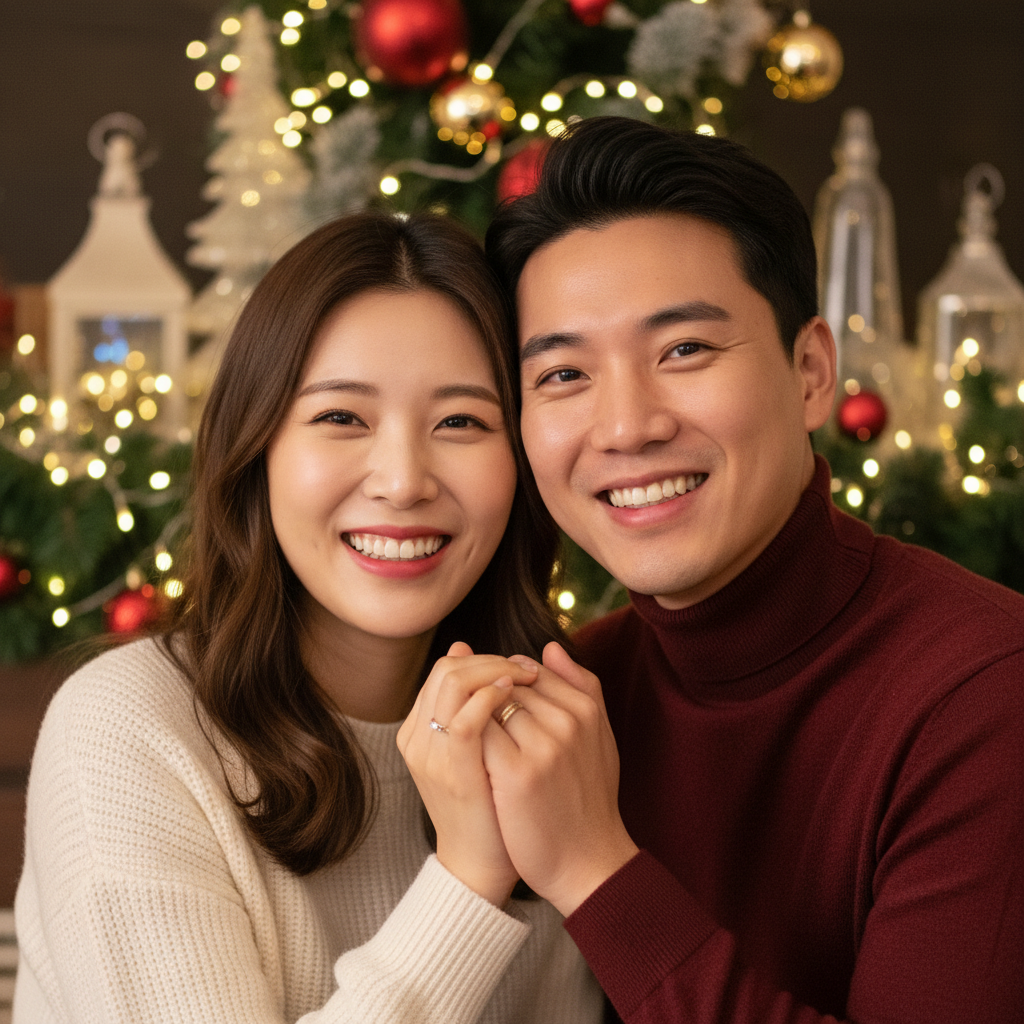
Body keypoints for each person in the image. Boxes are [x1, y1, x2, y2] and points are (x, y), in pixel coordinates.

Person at [464, 116, 1023, 1023]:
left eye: (683, 350)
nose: (626, 426)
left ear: (810, 372)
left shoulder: (987, 692)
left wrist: (595, 869)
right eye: (564, 375)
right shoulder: (575, 700)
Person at [13, 212, 602, 1023]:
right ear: (257, 449)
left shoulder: (553, 734)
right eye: (341, 418)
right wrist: (467, 879)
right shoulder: (125, 730)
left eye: (461, 421)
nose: (403, 481)